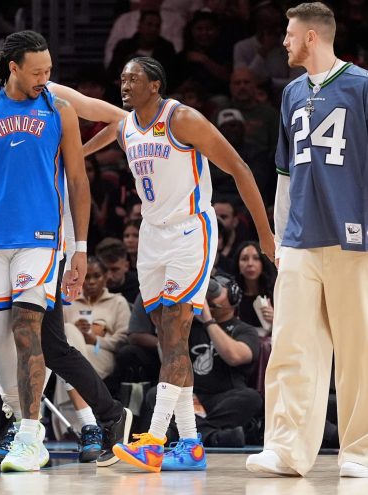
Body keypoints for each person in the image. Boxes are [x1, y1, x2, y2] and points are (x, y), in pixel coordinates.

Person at [0, 48, 133, 471]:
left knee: (25, 340)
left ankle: (7, 433)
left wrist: (80, 151)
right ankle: (96, 416)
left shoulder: (50, 98)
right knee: (28, 344)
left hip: (43, 235)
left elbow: (116, 120)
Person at [112, 56, 274, 473]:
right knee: (169, 339)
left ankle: (154, 440)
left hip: (189, 231)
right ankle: (190, 444)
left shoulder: (181, 119)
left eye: (133, 78)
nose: (124, 85)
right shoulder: (125, 128)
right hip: (152, 235)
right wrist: (72, 152)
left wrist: (265, 234)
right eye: (122, 79)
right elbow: (93, 115)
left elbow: (239, 168)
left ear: (155, 85)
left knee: (177, 328)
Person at [246, 2, 368, 478]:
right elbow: (284, 173)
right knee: (290, 345)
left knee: (358, 348)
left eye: (290, 34)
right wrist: (279, 238)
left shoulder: (361, 86)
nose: (284, 42)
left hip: (353, 237)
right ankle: (286, 449)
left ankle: (359, 451)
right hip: (299, 237)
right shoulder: (292, 93)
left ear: (312, 37)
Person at [145, 274, 262, 448]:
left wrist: (208, 320)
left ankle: (181, 433)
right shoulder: (190, 326)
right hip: (191, 397)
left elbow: (235, 356)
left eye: (217, 291)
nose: (209, 297)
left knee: (252, 398)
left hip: (225, 397)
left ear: (233, 296)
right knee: (155, 393)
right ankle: (212, 436)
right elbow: (169, 360)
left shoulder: (244, 330)